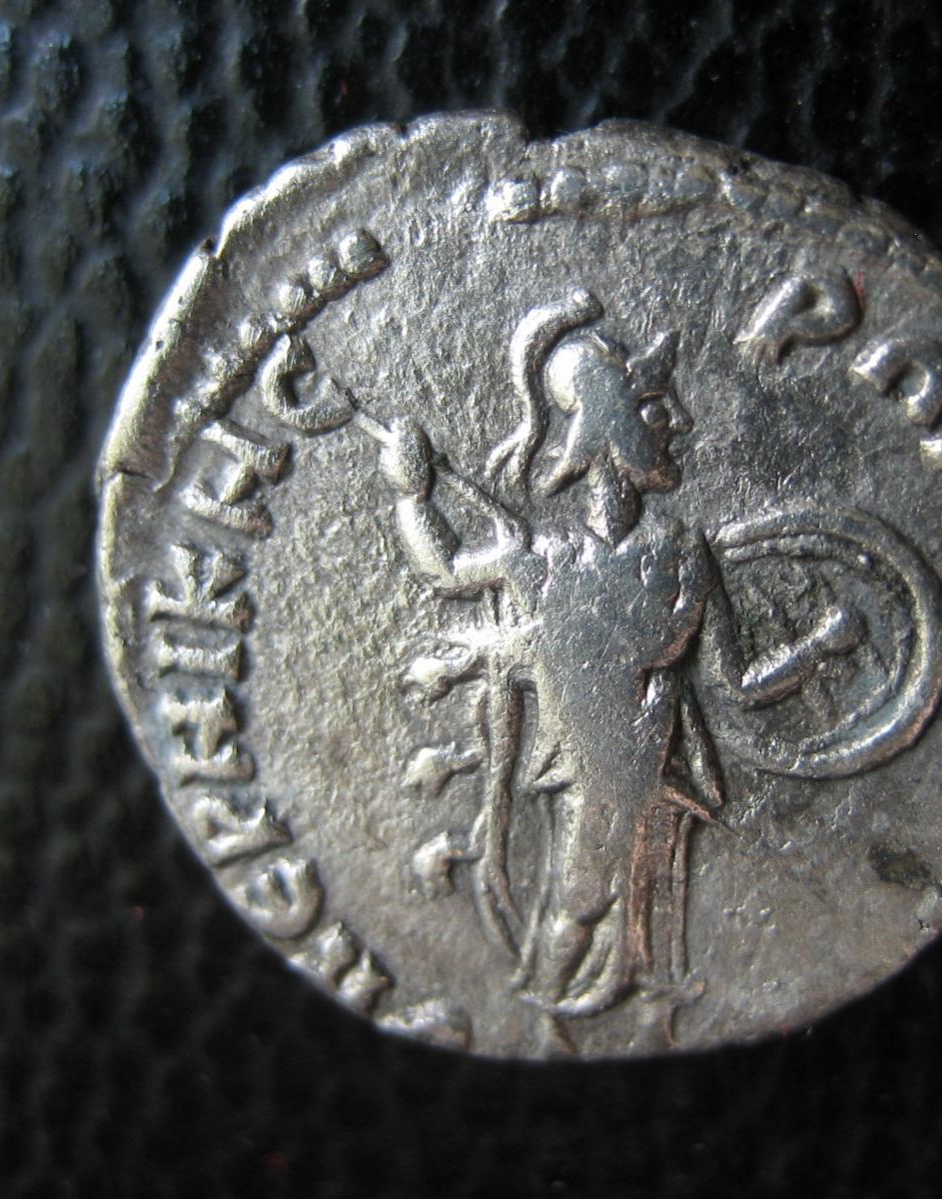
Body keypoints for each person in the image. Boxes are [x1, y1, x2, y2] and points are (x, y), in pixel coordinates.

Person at [369, 292, 861, 1051]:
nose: (679, 423)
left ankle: (592, 1025)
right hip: (593, 773)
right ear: (608, 420)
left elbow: (735, 684)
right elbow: (445, 568)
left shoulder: (681, 553)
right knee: (580, 901)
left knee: (620, 912)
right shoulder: (544, 559)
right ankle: (545, 1021)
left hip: (653, 772)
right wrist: (412, 492)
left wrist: (818, 649)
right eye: (657, 408)